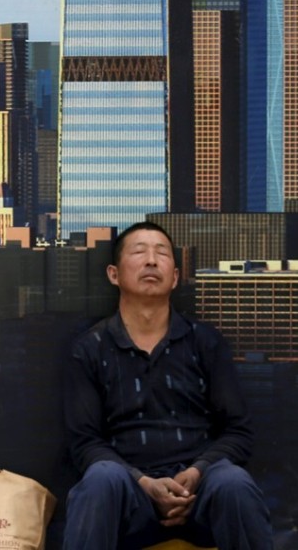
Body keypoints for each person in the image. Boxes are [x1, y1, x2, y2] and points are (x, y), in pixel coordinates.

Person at [62, 221, 273, 549]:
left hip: (200, 495)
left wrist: (197, 473)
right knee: (101, 478)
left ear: (174, 277)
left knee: (233, 481)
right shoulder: (89, 349)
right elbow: (85, 443)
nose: (150, 260)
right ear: (114, 274)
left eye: (161, 253)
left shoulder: (205, 342)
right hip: (128, 497)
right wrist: (143, 482)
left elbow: (238, 432)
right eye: (138, 252)